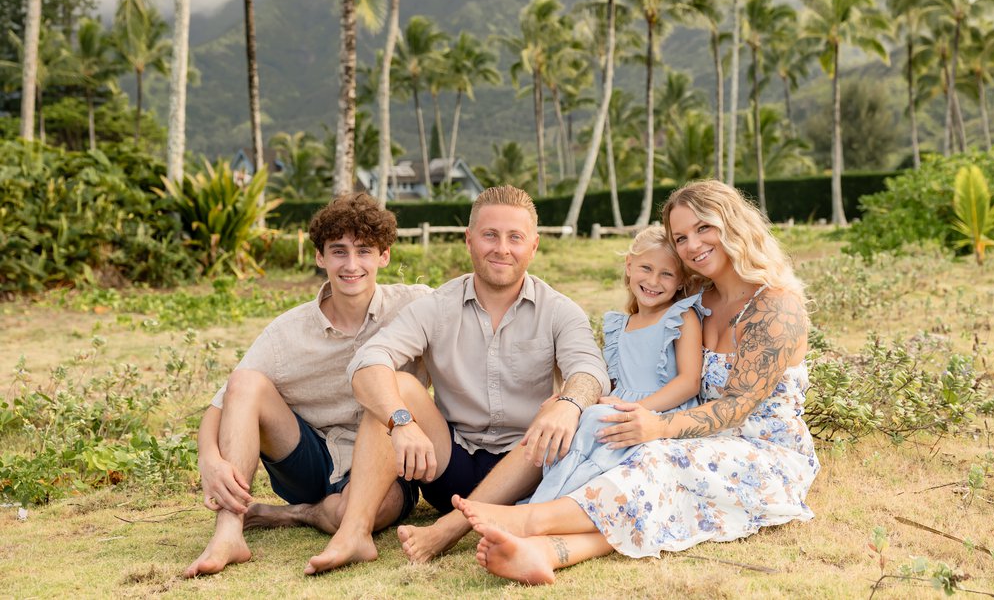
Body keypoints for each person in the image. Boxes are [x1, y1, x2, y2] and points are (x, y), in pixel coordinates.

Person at [453, 180, 820, 585]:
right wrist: (577, 401)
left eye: (703, 228)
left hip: (763, 454)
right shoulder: (698, 297)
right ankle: (549, 552)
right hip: (702, 440)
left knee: (655, 461)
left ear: (731, 224)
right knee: (647, 471)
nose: (692, 245)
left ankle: (529, 519)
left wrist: (658, 426)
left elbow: (736, 406)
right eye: (681, 237)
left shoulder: (775, 307)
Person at [305, 185, 610, 572]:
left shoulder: (559, 311)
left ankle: (451, 528)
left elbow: (590, 370)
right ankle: (354, 534)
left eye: (514, 237)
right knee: (396, 386)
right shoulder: (436, 306)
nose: (502, 248)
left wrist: (568, 404)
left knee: (565, 406)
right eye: (490, 235)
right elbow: (368, 362)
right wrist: (400, 420)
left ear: (533, 246)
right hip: (450, 467)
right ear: (469, 240)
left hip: (530, 467)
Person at [183, 193, 431, 578]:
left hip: (385, 460)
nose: (351, 265)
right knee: (245, 381)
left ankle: (294, 515)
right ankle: (228, 535)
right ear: (320, 257)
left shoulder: (416, 306)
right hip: (310, 457)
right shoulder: (287, 333)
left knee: (346, 514)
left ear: (384, 256)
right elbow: (223, 404)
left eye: (364, 251)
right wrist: (209, 460)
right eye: (338, 251)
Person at [529, 225, 705, 503]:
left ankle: (558, 503)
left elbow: (689, 382)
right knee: (585, 421)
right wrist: (571, 399)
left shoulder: (680, 317)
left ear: (681, 281)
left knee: (597, 423)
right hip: (621, 405)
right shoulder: (620, 326)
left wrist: (637, 409)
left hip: (661, 412)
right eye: (646, 268)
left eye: (667, 274)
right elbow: (613, 380)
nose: (654, 280)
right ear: (629, 265)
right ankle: (553, 498)